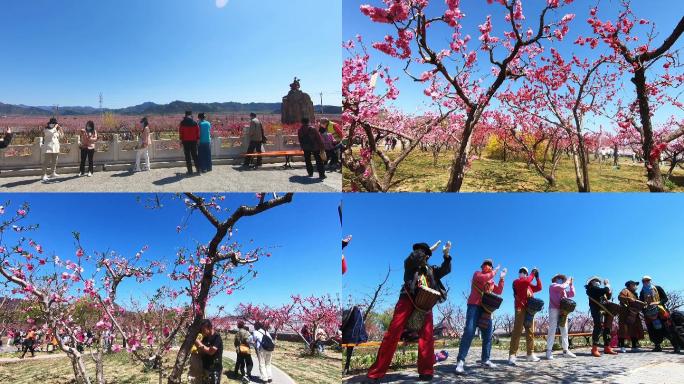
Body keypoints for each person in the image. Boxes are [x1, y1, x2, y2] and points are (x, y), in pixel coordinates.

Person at [367, 241, 452, 382]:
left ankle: (426, 371)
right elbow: (414, 258)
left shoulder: (431, 269)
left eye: (424, 252)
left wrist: (446, 255)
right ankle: (376, 372)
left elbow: (445, 270)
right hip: (407, 299)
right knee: (393, 333)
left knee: (427, 336)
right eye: (420, 251)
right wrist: (428, 250)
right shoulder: (410, 264)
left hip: (426, 304)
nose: (422, 254)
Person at [455, 259, 507, 374]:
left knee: (488, 334)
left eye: (490, 265)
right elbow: (484, 278)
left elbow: (499, 291)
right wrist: (494, 272)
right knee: (469, 331)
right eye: (486, 264)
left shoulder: (492, 280)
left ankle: (485, 360)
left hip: (486, 309)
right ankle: (460, 361)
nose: (488, 266)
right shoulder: (477, 274)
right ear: (482, 266)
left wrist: (502, 278)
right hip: (474, 305)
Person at [508, 267, 543, 365]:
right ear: (519, 273)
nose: (522, 273)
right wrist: (532, 273)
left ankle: (530, 354)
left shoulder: (529, 285)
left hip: (529, 310)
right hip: (519, 308)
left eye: (525, 272)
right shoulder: (517, 282)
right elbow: (527, 280)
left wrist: (537, 277)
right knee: (517, 330)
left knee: (530, 331)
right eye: (521, 271)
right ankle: (512, 355)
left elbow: (539, 288)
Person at [639, 275, 680, 353]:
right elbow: (641, 303)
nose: (646, 282)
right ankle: (657, 346)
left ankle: (676, 346)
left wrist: (658, 303)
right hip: (650, 314)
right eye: (644, 281)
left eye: (647, 280)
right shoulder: (642, 292)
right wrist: (645, 309)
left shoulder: (657, 288)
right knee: (653, 330)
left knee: (667, 329)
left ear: (650, 280)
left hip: (660, 312)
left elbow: (665, 298)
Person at [546, 274, 577, 359]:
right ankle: (549, 351)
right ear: (555, 279)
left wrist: (571, 284)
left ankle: (566, 350)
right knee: (552, 329)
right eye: (559, 278)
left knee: (564, 329)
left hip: (563, 310)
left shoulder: (563, 290)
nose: (560, 279)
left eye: (562, 278)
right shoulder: (553, 286)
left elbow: (572, 293)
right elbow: (562, 286)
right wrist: (567, 281)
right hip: (553, 309)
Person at [586, 276, 618, 357]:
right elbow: (605, 290)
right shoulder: (591, 289)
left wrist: (609, 291)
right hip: (596, 309)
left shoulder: (599, 290)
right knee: (598, 326)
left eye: (598, 281)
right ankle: (594, 348)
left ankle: (607, 347)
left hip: (605, 309)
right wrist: (607, 285)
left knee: (607, 327)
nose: (597, 282)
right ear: (591, 282)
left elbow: (608, 295)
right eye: (595, 280)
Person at [618, 280, 645, 353]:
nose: (636, 286)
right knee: (623, 329)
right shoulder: (625, 290)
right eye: (634, 284)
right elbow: (620, 297)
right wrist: (628, 299)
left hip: (634, 313)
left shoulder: (635, 293)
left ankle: (634, 346)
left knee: (634, 329)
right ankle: (622, 346)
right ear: (630, 285)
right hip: (625, 313)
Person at [194, 319, 223, 384]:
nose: (202, 332)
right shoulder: (205, 337)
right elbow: (201, 351)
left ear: (210, 327)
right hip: (205, 367)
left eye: (203, 330)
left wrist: (199, 343)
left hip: (214, 368)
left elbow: (211, 352)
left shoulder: (216, 337)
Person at [179, 111, 201, 175]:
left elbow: (181, 133)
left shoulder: (182, 123)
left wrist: (180, 141)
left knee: (187, 156)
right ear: (191, 115)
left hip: (185, 142)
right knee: (195, 155)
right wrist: (197, 140)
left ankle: (190, 171)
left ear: (185, 115)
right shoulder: (195, 123)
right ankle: (198, 170)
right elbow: (198, 132)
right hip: (193, 141)